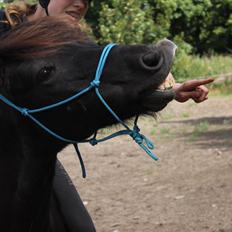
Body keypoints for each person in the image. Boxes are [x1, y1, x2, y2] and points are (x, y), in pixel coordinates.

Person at [0, 0, 213, 231]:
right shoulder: (4, 26)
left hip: (32, 154)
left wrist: (170, 91)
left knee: (80, 226)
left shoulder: (71, 39)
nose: (81, 4)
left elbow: (98, 82)